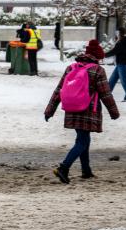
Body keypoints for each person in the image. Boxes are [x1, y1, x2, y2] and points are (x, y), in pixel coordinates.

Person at [45, 39, 120, 183]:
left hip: (72, 108)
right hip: (88, 110)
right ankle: (64, 168)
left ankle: (86, 170)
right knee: (82, 141)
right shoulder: (97, 70)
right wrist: (114, 112)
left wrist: (49, 110)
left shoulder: (71, 67)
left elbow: (58, 90)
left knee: (83, 139)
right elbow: (106, 94)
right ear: (98, 57)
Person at [109, 27, 126, 102]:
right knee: (112, 80)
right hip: (121, 63)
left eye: (118, 32)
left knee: (124, 80)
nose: (116, 34)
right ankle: (106, 94)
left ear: (121, 32)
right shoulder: (124, 40)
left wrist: (103, 55)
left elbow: (115, 51)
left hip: (123, 63)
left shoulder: (124, 41)